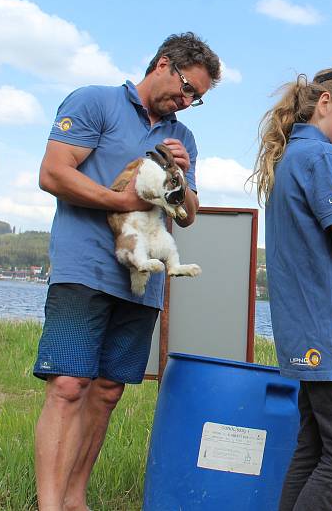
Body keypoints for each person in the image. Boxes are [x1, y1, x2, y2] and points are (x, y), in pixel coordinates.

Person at [33, 32, 220, 511]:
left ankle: (75, 499)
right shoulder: (94, 102)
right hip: (86, 266)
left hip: (142, 278)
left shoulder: (183, 137)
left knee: (108, 391)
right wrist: (121, 200)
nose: (188, 100)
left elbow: (187, 215)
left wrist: (180, 176)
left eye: (197, 98)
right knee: (70, 386)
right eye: (186, 88)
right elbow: (53, 173)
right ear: (162, 64)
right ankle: (50, 505)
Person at [254, 64, 332, 511]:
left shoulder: (290, 155)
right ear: (324, 103)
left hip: (304, 332)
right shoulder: (326, 158)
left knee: (312, 449)